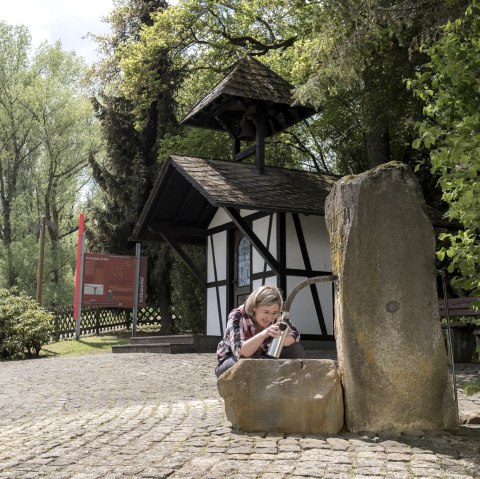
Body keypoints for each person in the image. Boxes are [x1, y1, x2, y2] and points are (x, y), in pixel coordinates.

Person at [215, 285, 305, 378]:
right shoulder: (237, 315)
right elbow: (240, 352)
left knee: (296, 349)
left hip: (264, 359)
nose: (270, 318)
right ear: (254, 307)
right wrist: (264, 334)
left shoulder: (276, 317)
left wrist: (283, 340)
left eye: (274, 313)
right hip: (232, 361)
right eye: (266, 312)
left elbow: (296, 334)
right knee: (247, 362)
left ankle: (286, 383)